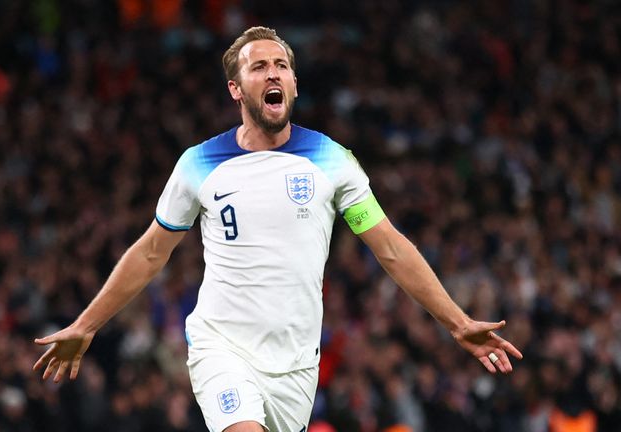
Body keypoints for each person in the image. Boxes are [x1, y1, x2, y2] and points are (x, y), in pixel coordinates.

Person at [33, 26, 523, 432]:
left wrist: (458, 323)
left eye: (282, 66)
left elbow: (390, 247)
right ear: (236, 88)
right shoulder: (198, 164)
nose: (273, 73)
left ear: (293, 84)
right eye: (259, 66)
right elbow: (150, 254)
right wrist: (87, 324)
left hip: (295, 367)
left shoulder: (332, 161)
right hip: (222, 348)